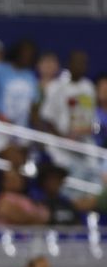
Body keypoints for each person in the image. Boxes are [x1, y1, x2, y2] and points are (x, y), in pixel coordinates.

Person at [0, 39, 42, 161]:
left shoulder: (31, 77)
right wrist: (0, 116)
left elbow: (34, 110)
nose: (27, 57)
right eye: (24, 53)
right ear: (16, 52)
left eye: (30, 54)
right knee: (14, 158)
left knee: (26, 160)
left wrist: (40, 133)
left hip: (21, 129)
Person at [40, 50, 99, 181]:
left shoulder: (88, 87)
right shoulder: (56, 87)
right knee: (70, 176)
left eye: (83, 63)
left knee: (94, 173)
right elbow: (47, 119)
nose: (80, 66)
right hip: (59, 145)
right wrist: (63, 139)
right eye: (77, 62)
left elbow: (93, 121)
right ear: (69, 64)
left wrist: (87, 130)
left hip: (83, 143)